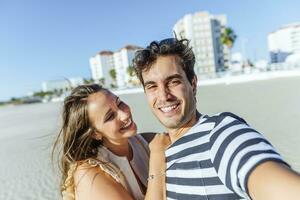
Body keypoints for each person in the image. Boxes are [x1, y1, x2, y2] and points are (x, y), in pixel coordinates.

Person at [133, 37, 300, 200]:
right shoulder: (159, 147)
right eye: (152, 86)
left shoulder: (219, 134)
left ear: (193, 84)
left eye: (173, 81)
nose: (163, 96)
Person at [52, 84, 170, 200]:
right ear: (94, 133)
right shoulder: (89, 174)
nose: (124, 115)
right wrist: (157, 156)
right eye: (110, 116)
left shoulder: (146, 142)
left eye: (119, 103)